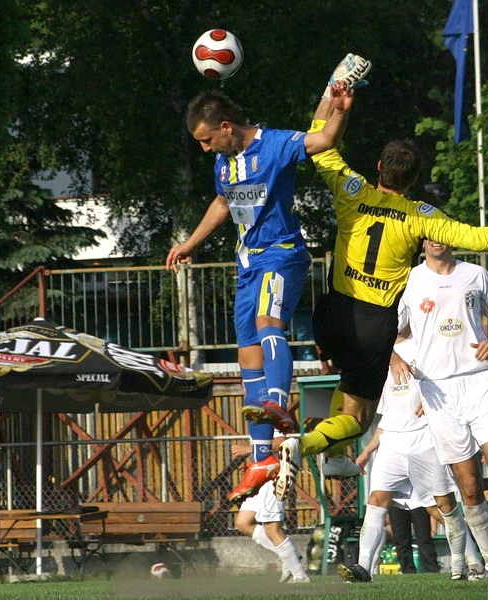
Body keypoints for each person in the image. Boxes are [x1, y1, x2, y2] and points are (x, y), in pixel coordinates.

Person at [261, 55, 488, 501]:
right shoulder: (420, 217)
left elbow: (318, 141)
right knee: (361, 417)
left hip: (331, 310)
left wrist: (334, 88)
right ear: (415, 179)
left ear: (379, 167)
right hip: (373, 323)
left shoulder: (352, 190)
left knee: (351, 387)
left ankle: (338, 455)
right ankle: (300, 446)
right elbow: (475, 238)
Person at [165, 55, 368, 504]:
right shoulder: (225, 162)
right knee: (246, 355)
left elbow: (326, 137)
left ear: (225, 125)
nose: (204, 149)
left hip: (282, 255)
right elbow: (223, 203)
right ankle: (260, 459)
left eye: (206, 139)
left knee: (267, 324)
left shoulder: (275, 144)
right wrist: (191, 243)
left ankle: (278, 401)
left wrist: (340, 104)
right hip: (246, 264)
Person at [391, 239, 488, 581]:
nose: (436, 240)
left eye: (442, 232)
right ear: (422, 242)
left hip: (481, 379)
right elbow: (390, 332)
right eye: (428, 235)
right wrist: (396, 357)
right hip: (438, 390)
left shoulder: (476, 274)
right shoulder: (410, 280)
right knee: (468, 486)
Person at [337, 341, 475, 583]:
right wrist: (367, 451)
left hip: (425, 440)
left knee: (442, 506)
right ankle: (363, 568)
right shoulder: (380, 356)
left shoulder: (427, 346)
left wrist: (435, 400)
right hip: (392, 443)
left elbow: (452, 387)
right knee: (376, 502)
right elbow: (387, 416)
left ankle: (468, 562)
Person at [231, 439, 310, 583]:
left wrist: (249, 448)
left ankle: (300, 577)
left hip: (272, 476)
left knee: (271, 529)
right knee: (243, 523)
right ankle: (291, 555)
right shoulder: (254, 420)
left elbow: (283, 442)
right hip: (257, 475)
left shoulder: (269, 417)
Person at [388, 503, 439, 575]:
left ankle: (432, 570)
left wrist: (434, 529)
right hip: (396, 500)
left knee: (424, 538)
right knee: (401, 540)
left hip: (419, 500)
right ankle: (407, 571)